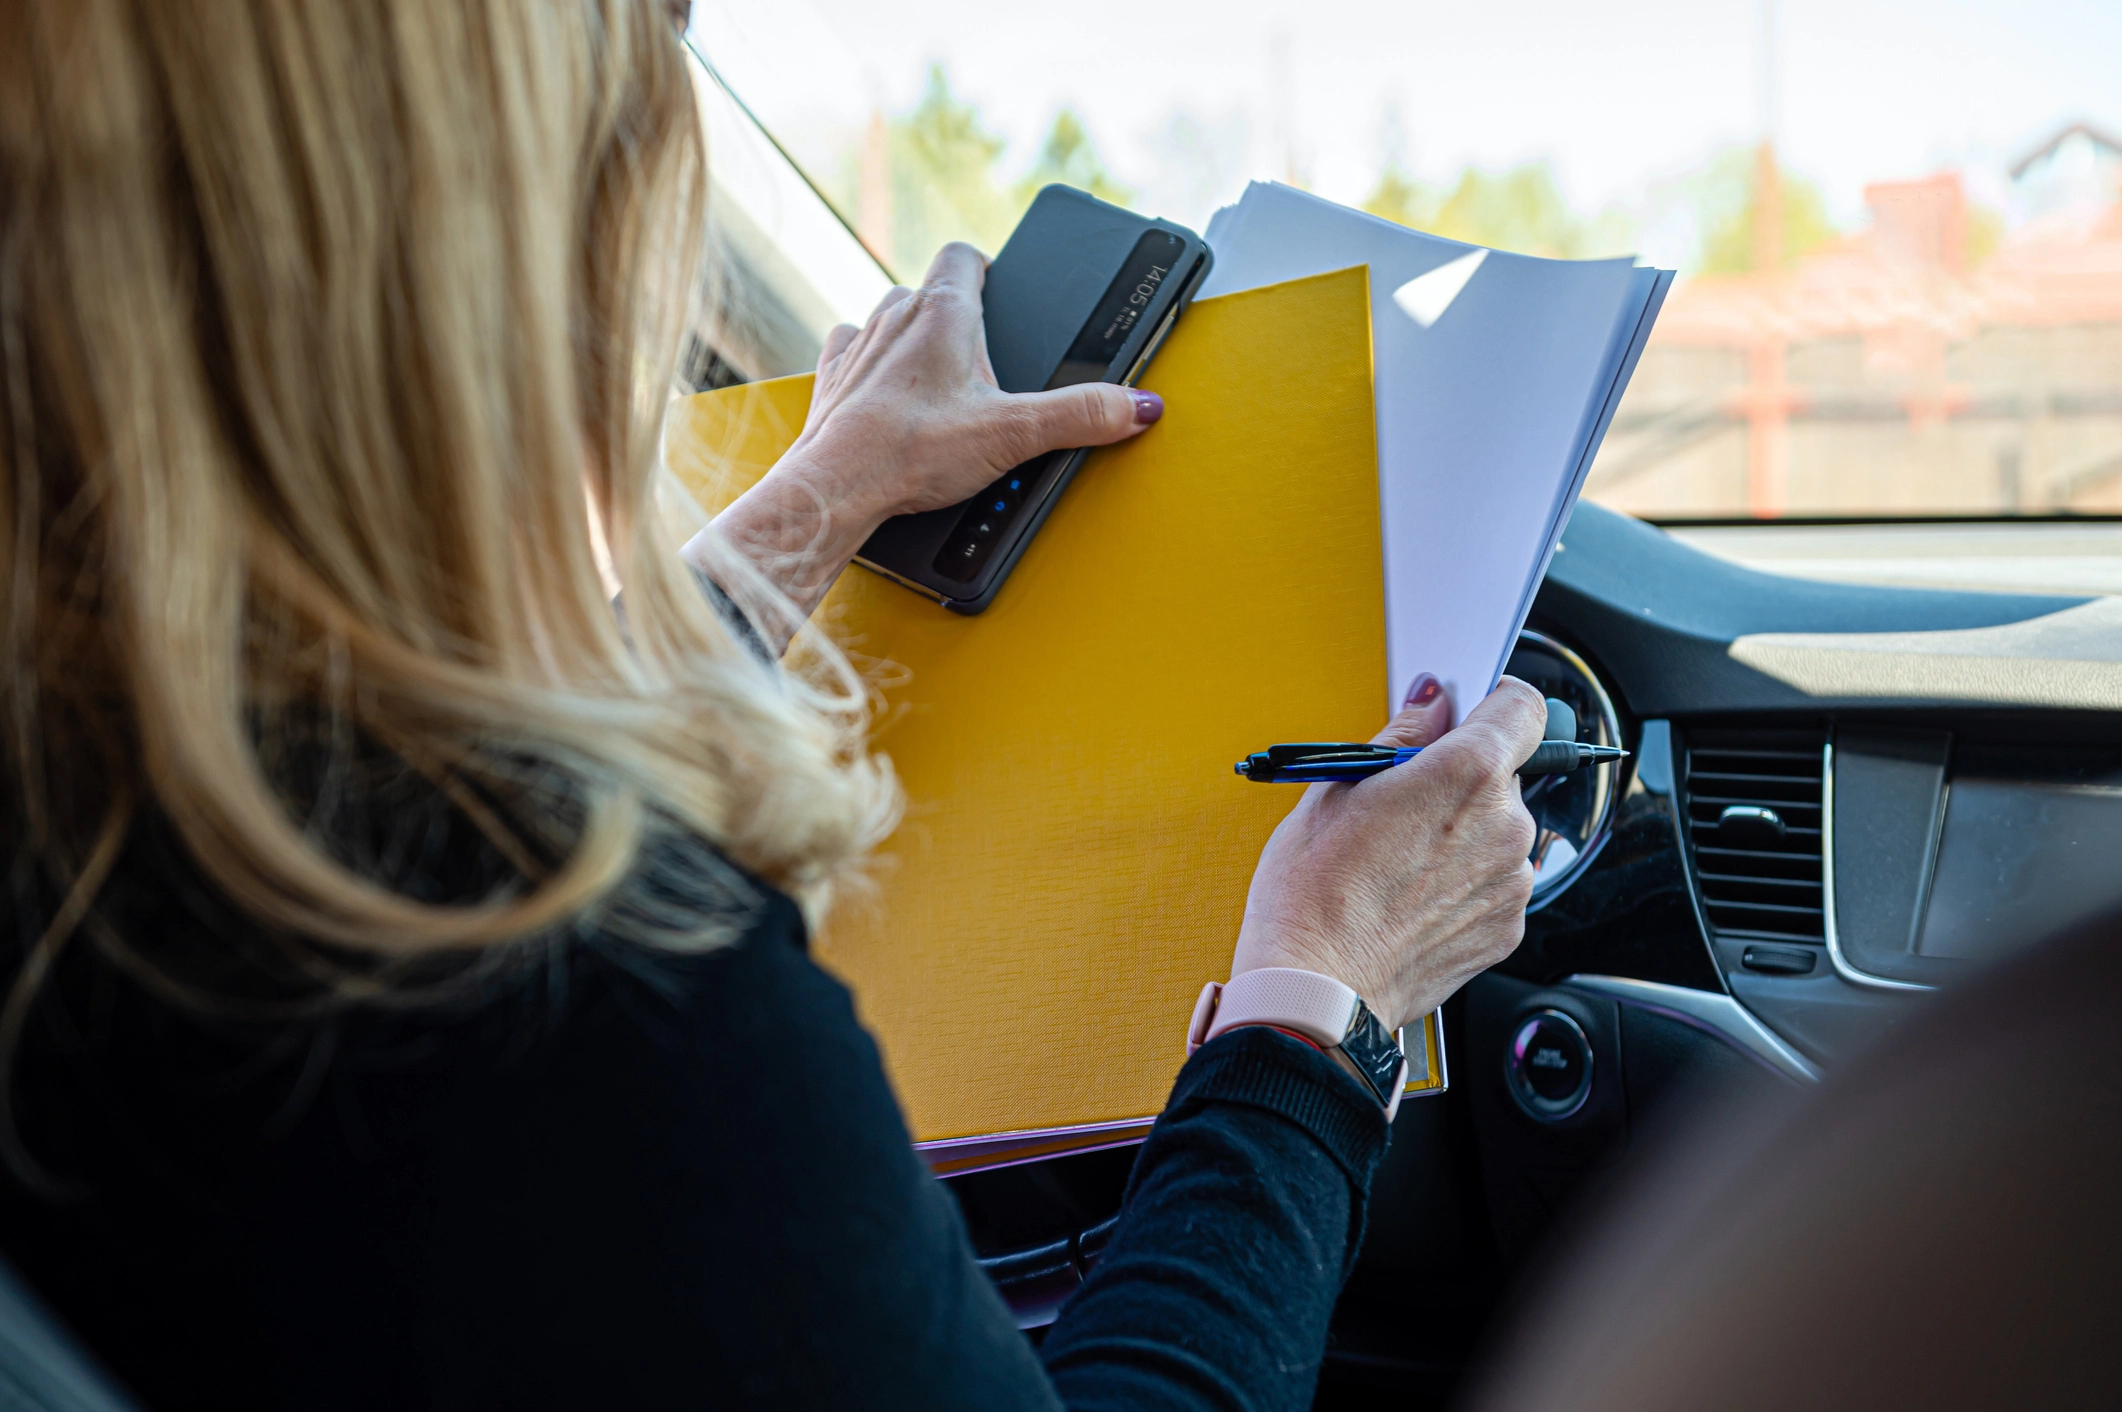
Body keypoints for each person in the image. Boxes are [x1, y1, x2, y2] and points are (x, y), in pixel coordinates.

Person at [0, 2, 1544, 1408]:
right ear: (468, 259)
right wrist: (1315, 1003)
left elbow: (413, 791)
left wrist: (824, 494)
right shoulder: (550, 990)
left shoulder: (104, 795)